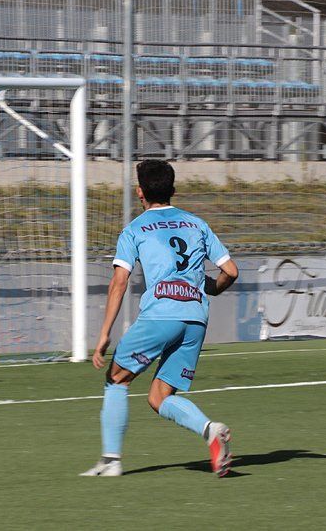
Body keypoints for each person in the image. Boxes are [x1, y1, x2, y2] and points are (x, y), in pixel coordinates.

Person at [81, 159, 239, 478]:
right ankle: (210, 429)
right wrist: (211, 288)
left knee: (116, 379)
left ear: (139, 192)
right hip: (195, 319)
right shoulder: (197, 223)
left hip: (161, 315)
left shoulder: (135, 229)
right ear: (173, 191)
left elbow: (119, 282)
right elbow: (231, 271)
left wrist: (104, 334)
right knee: (159, 397)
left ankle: (111, 461)